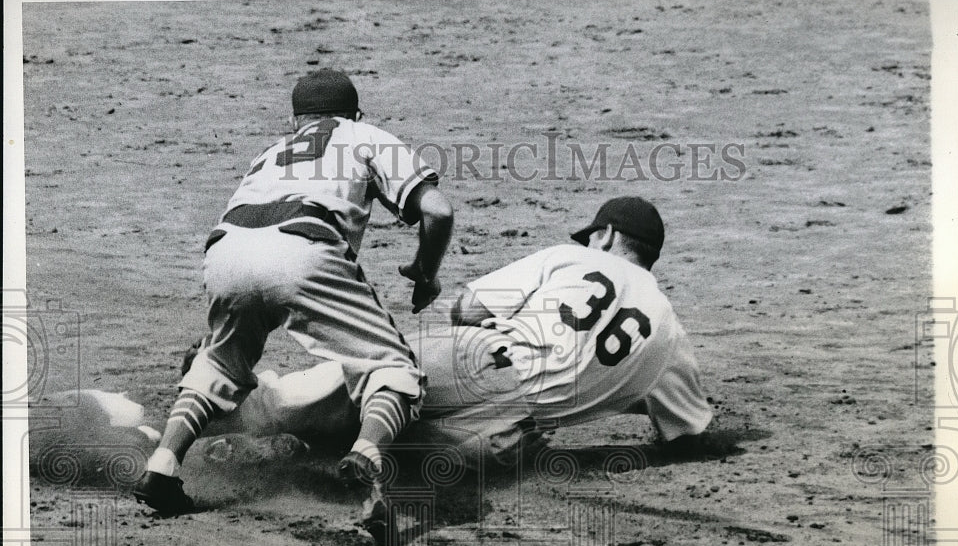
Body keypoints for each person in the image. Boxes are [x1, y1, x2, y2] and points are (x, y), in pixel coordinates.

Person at [134, 68, 454, 518]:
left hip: (226, 249)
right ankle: (368, 454)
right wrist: (426, 272)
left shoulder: (271, 151)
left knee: (219, 363)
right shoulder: (365, 135)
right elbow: (438, 211)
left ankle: (162, 466)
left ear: (295, 122)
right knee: (392, 369)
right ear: (355, 113)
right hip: (304, 247)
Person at [207, 196, 712, 475]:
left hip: (482, 362)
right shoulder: (670, 336)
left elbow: (467, 308)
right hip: (504, 436)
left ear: (605, 236)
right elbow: (688, 435)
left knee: (364, 384)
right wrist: (621, 390)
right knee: (425, 456)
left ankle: (197, 423)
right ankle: (323, 457)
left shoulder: (575, 256)